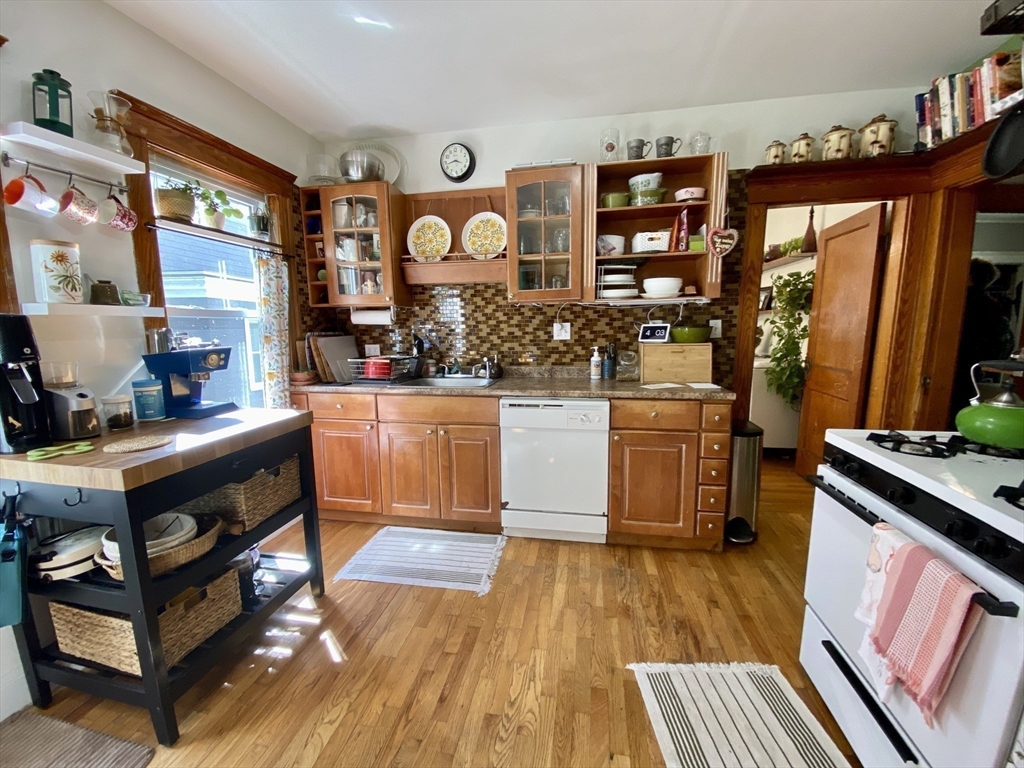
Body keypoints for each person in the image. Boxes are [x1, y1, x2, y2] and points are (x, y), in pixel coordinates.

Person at [949, 259, 1016, 425]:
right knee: (962, 405)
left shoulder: (956, 299)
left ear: (969, 275)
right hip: (975, 365)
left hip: (953, 362)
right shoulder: (992, 305)